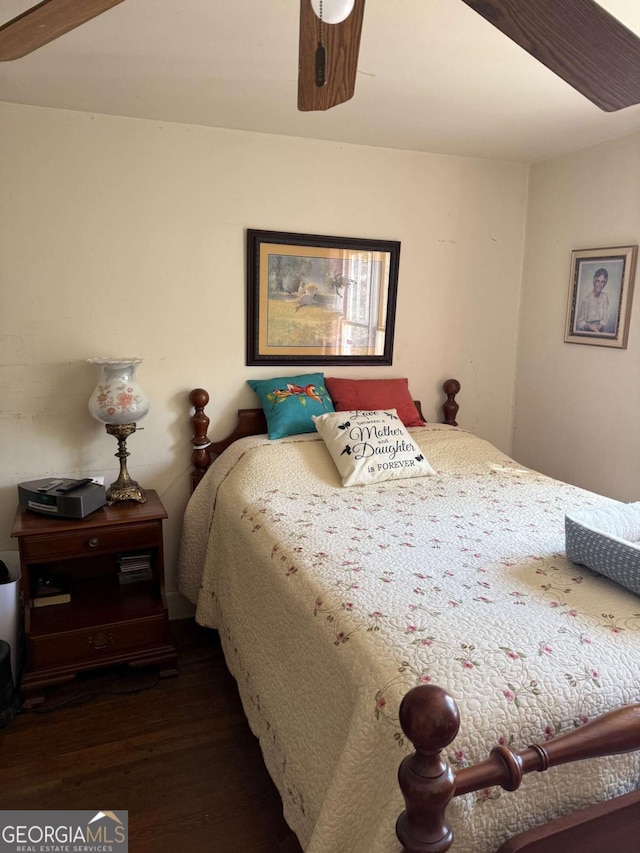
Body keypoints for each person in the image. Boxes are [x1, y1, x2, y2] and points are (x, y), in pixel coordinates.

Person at [576, 267, 610, 333]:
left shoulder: (605, 297)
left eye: (602, 282)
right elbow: (579, 321)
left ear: (604, 283)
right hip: (588, 332)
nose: (600, 284)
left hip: (600, 331)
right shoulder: (587, 299)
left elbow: (605, 318)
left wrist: (599, 327)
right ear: (594, 281)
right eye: (598, 281)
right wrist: (589, 326)